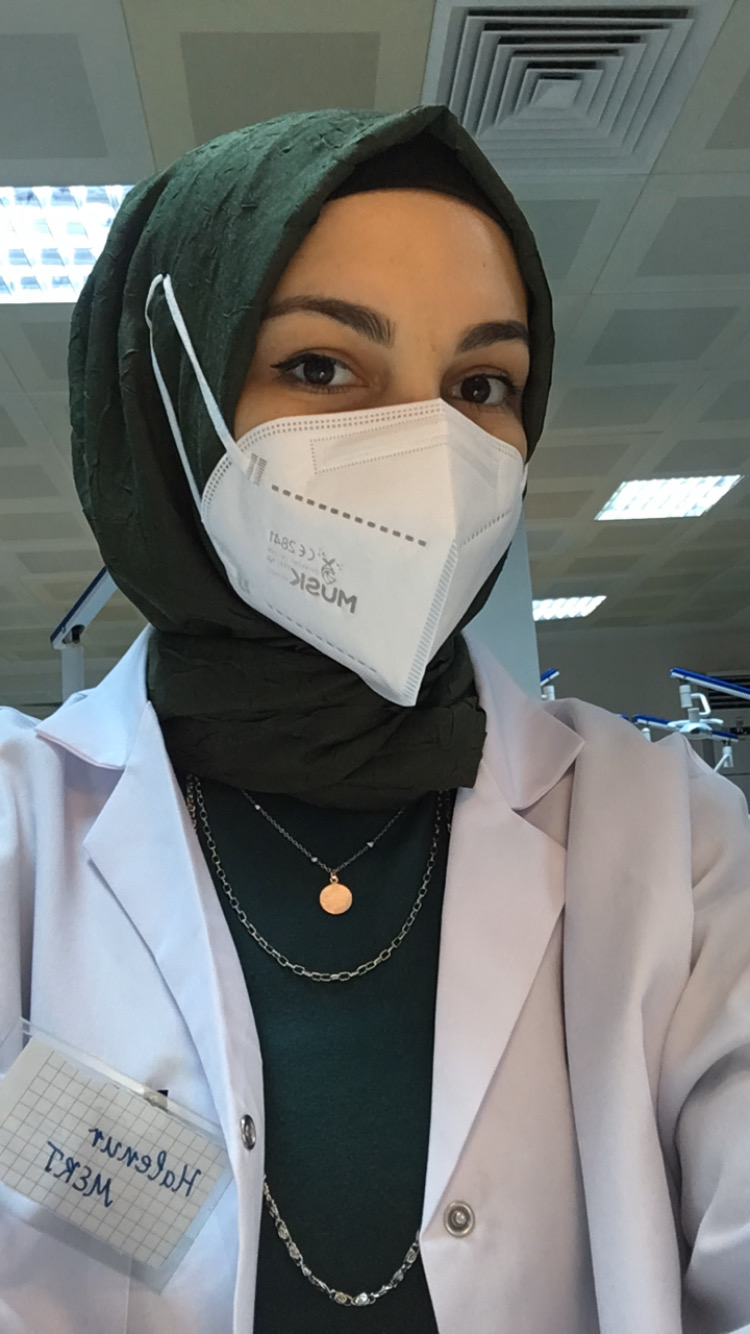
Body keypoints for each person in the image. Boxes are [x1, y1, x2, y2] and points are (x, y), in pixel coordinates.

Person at [0, 104, 748, 1334]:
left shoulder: (673, 835)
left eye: (481, 384)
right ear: (167, 399)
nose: (429, 448)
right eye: (320, 365)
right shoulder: (24, 835)